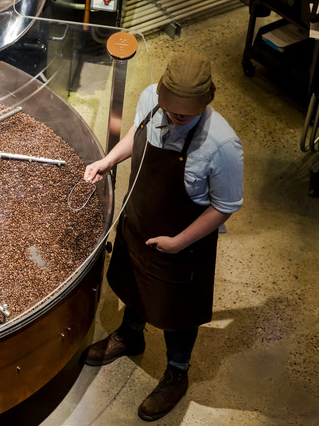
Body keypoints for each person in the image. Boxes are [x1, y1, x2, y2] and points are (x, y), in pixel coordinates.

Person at [83, 52, 243, 421]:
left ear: (206, 101)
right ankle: (130, 335)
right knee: (134, 281)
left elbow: (225, 205)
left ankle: (177, 371)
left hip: (183, 242)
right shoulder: (150, 100)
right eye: (171, 106)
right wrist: (108, 161)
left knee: (178, 311)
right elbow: (138, 138)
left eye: (186, 111)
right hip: (140, 220)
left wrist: (179, 242)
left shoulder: (222, 145)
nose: (177, 114)